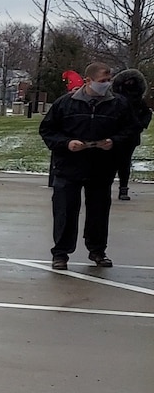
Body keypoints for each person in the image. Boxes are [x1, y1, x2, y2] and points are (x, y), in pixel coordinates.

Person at [39, 61, 135, 267]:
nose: (106, 84)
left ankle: (98, 251)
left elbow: (130, 131)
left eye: (109, 80)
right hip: (69, 166)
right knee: (65, 210)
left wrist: (114, 142)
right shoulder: (65, 103)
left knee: (99, 212)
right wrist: (66, 143)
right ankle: (61, 253)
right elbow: (47, 130)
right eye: (102, 81)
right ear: (88, 80)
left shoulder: (119, 104)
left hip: (101, 167)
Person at [109, 69, 150, 201]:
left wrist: (139, 125)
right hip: (115, 134)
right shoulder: (115, 99)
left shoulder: (138, 100)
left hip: (130, 136)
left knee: (125, 163)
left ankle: (123, 189)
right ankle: (106, 188)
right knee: (111, 162)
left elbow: (146, 114)